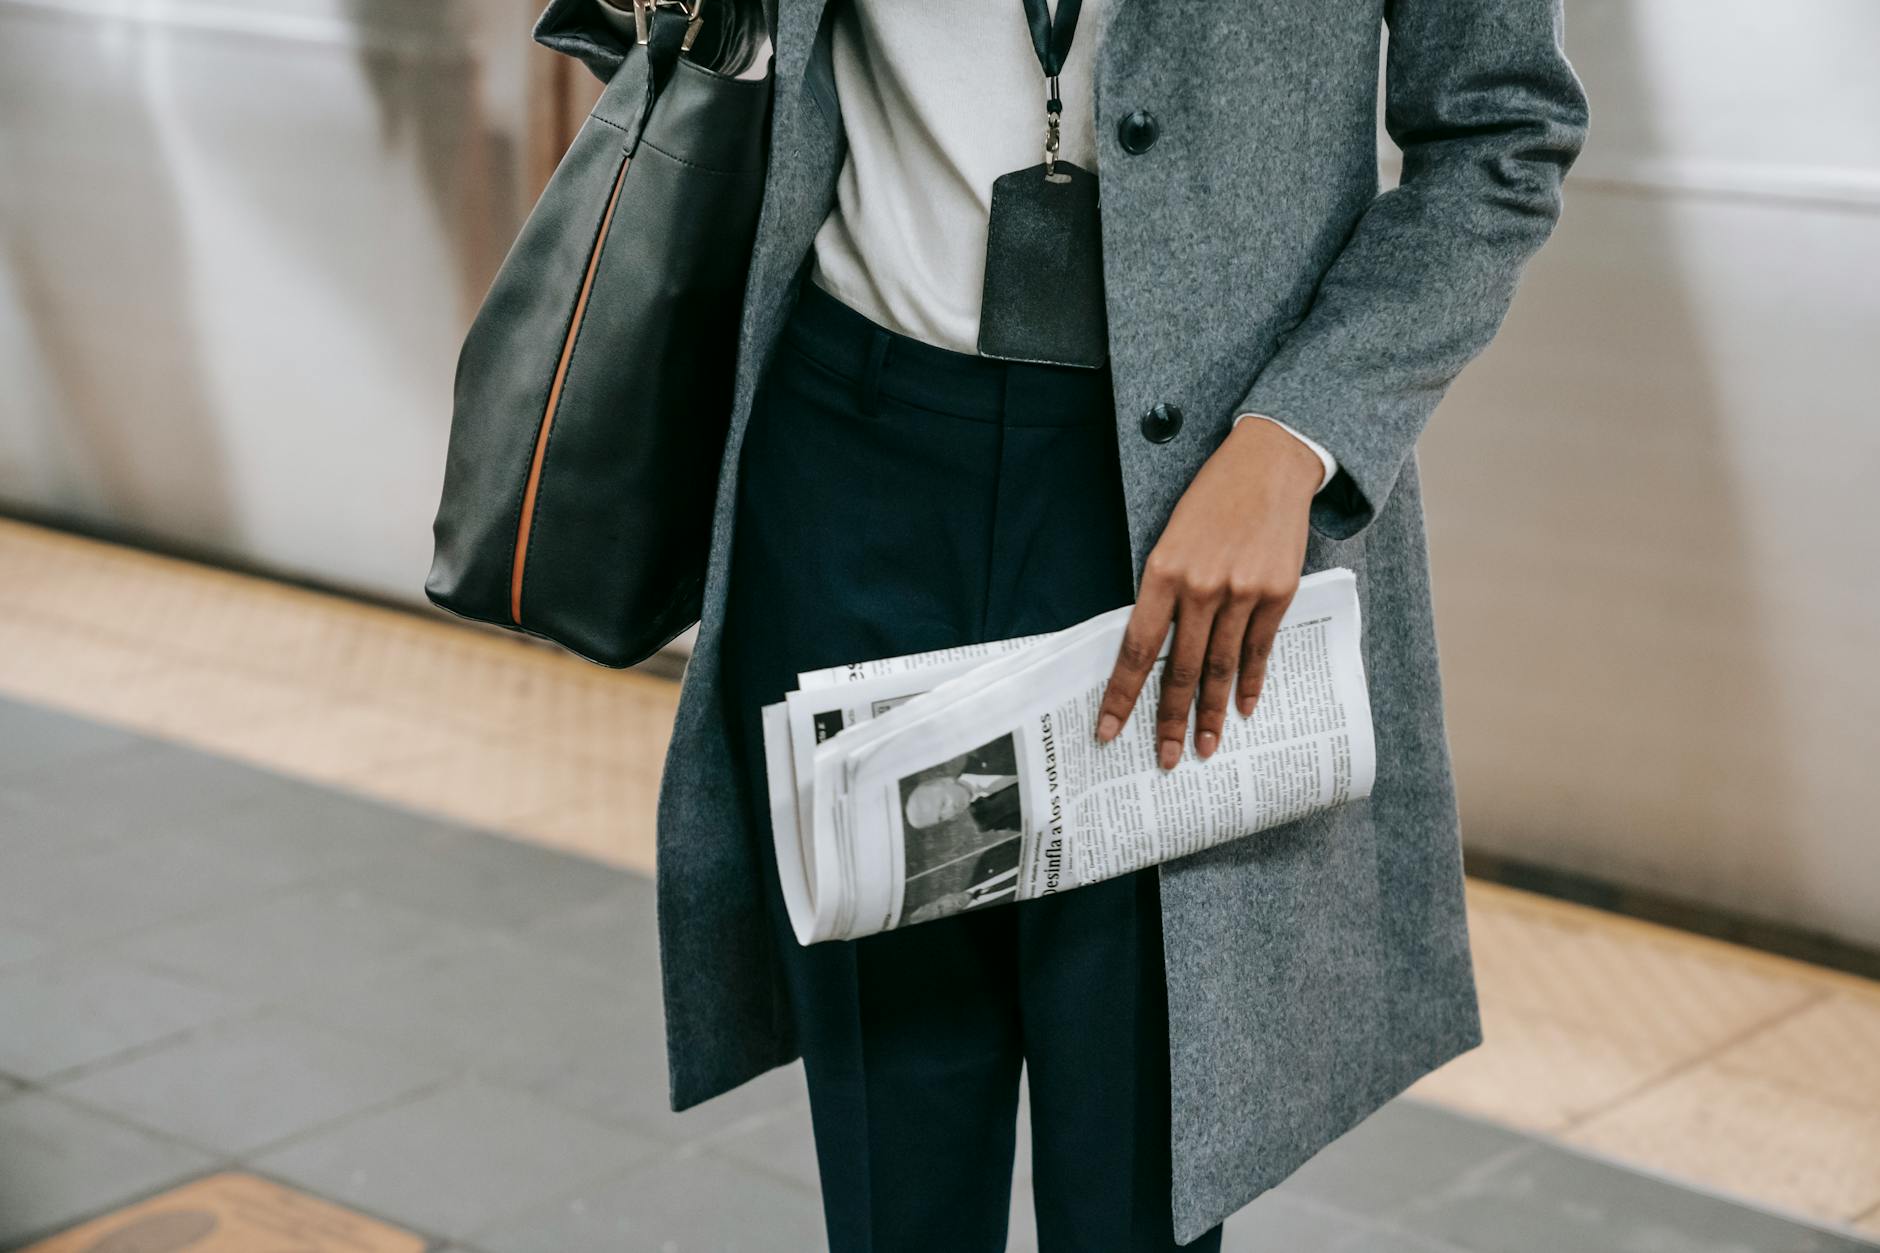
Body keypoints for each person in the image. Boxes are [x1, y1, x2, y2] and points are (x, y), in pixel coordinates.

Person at [539, 0, 1588, 1248]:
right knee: (893, 1171)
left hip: (1185, 524)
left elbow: (1499, 134)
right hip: (850, 476)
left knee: (1135, 1183)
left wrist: (1295, 437)